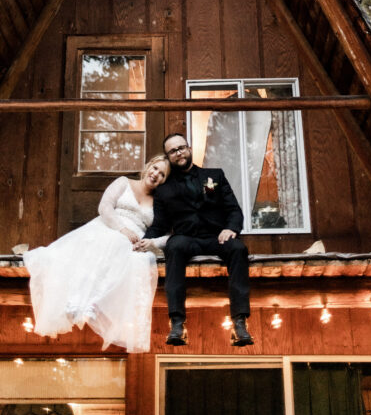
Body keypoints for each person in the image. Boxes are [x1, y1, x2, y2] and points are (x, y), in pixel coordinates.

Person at [23, 154, 170, 353]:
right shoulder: (124, 182)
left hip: (134, 240)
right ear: (149, 166)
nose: (156, 175)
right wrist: (122, 230)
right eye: (155, 169)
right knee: (108, 245)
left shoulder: (157, 203)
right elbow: (105, 206)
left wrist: (145, 242)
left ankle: (95, 303)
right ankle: (77, 301)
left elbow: (164, 233)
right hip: (110, 227)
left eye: (162, 175)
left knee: (136, 261)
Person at [139, 132, 253, 347]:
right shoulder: (163, 190)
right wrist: (144, 241)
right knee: (174, 246)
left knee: (238, 248)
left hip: (216, 238)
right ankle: (177, 323)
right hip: (186, 239)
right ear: (168, 157)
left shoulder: (214, 176)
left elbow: (234, 210)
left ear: (189, 148)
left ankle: (240, 323)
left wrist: (230, 228)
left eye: (181, 148)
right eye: (172, 151)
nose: (178, 153)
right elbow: (159, 225)